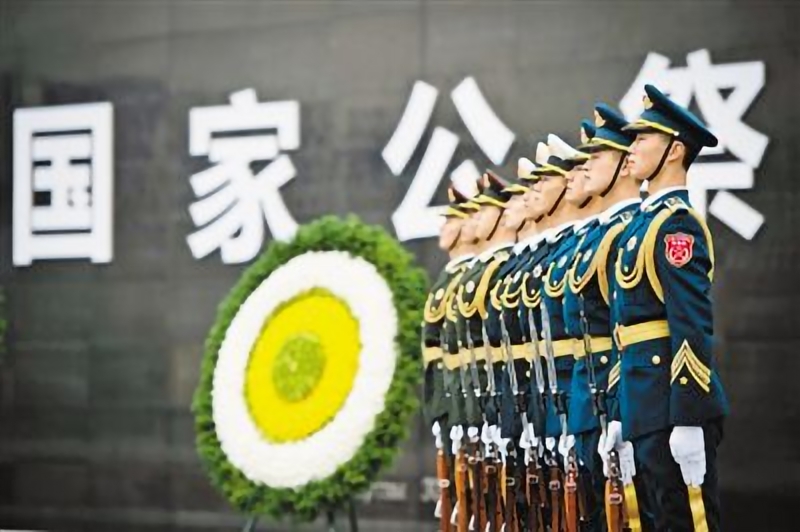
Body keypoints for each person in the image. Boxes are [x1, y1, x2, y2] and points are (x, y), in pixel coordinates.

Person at [604, 84, 729, 532]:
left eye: (642, 139)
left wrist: (689, 418)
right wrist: (620, 412)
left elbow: (691, 324)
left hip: (669, 404)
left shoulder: (676, 227)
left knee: (685, 521)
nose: (631, 148)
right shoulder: (642, 225)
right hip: (642, 403)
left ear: (674, 150)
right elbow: (624, 328)